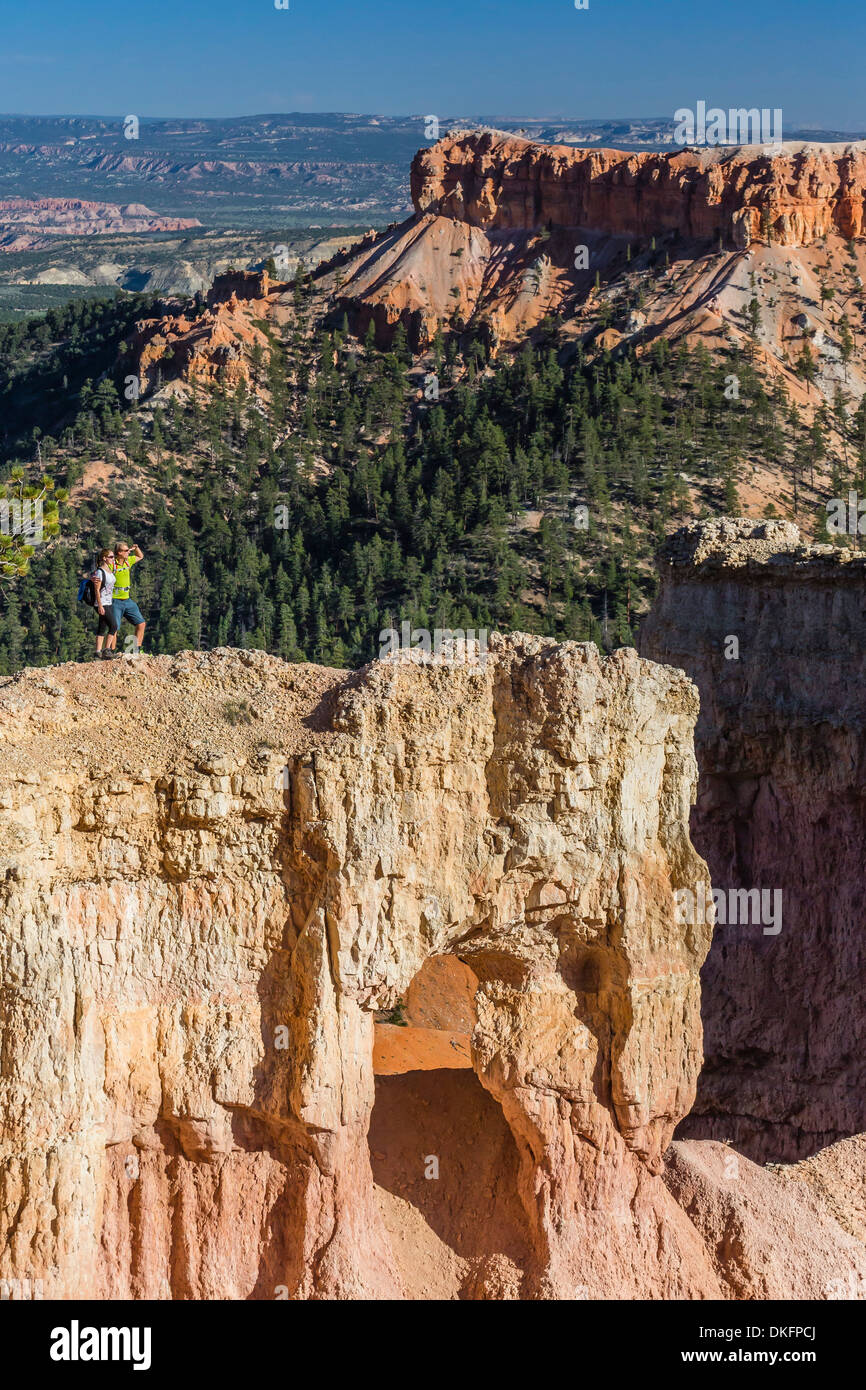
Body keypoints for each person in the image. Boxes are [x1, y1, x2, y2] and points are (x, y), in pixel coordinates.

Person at [109, 541, 146, 655]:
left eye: (128, 550)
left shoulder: (128, 561)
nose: (128, 552)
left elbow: (140, 556)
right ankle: (111, 652)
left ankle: (136, 649)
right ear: (119, 552)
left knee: (141, 624)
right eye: (126, 551)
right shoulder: (111, 564)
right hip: (115, 600)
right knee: (114, 628)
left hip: (127, 599)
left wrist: (136, 548)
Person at [91, 548, 119, 661]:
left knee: (102, 626)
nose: (113, 559)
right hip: (102, 602)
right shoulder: (100, 572)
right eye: (111, 557)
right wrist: (100, 605)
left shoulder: (109, 570)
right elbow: (96, 590)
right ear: (104, 558)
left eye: (113, 557)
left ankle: (98, 652)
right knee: (114, 625)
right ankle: (106, 650)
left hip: (109, 601)